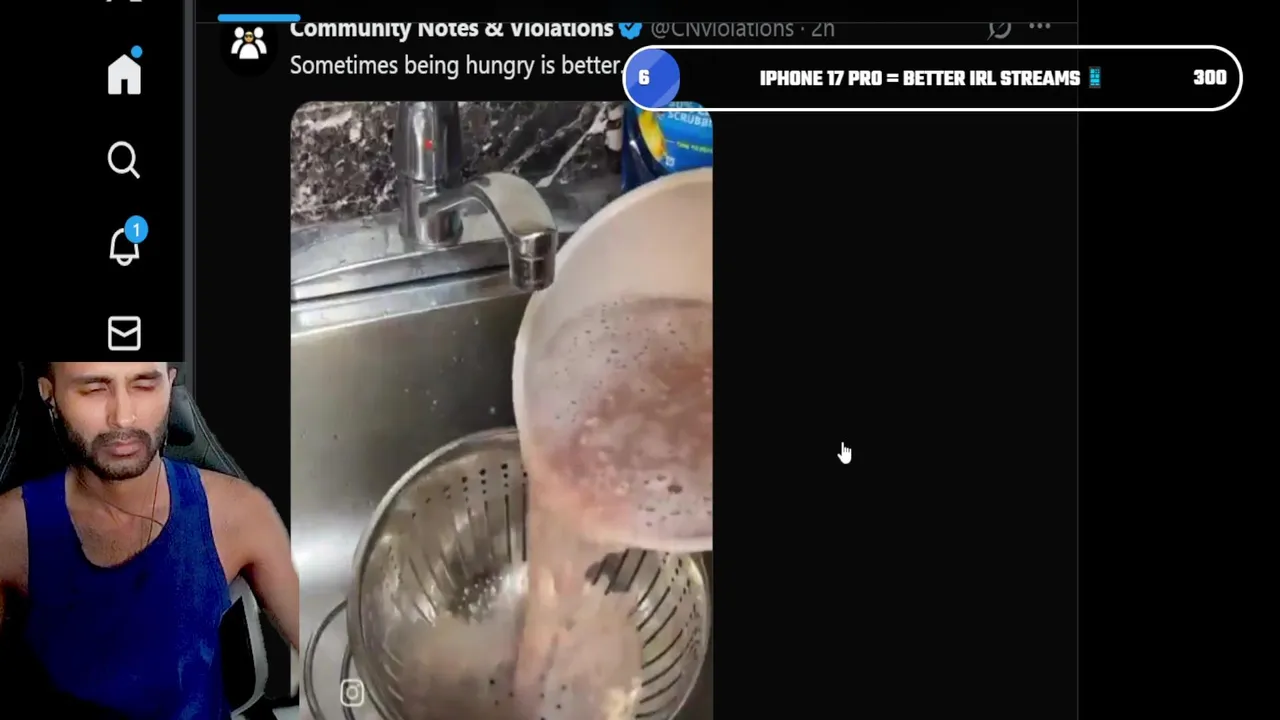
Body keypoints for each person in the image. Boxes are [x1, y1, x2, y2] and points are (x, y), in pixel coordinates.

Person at [0, 362, 298, 718]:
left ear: (170, 385)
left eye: (144, 385)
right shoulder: (10, 530)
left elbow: (329, 646)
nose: (124, 417)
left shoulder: (238, 512)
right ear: (49, 394)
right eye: (94, 389)